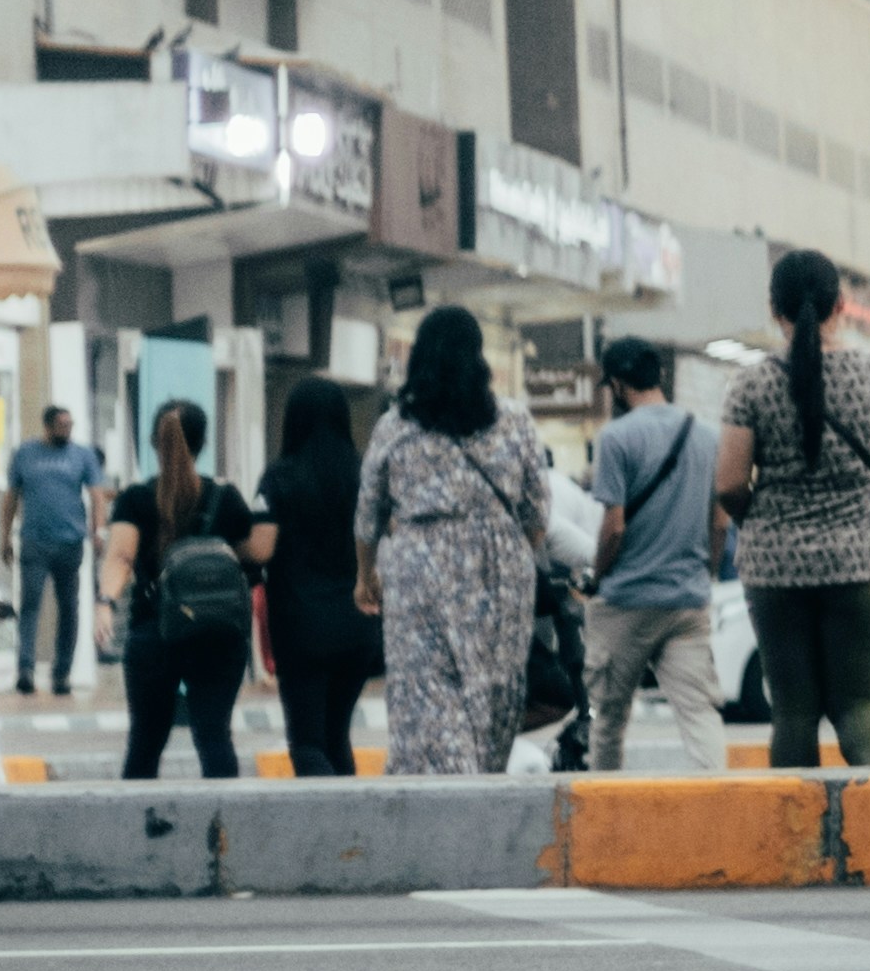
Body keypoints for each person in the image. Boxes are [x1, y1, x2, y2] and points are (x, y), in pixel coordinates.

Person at [715, 248, 870, 774]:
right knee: (860, 704)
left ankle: (798, 845)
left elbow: (730, 483)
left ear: (773, 308)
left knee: (792, 712)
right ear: (841, 305)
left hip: (775, 564)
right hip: (860, 558)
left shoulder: (751, 382)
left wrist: (760, 523)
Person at [366, 306, 561, 777]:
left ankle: (434, 804)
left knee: (424, 692)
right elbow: (538, 513)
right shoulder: (515, 421)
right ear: (478, 357)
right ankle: (481, 788)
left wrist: (364, 575)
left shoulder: (395, 425)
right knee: (492, 694)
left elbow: (368, 512)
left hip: (419, 570)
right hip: (501, 575)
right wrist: (506, 545)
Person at [578, 336, 728, 774]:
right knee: (699, 714)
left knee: (607, 721)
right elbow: (719, 522)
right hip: (686, 601)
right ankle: (716, 807)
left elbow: (614, 527)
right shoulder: (705, 436)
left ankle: (603, 815)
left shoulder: (616, 438)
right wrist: (709, 573)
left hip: (626, 600)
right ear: (658, 376)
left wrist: (596, 576)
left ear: (619, 385)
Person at [96, 397, 268, 781]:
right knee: (215, 739)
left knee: (144, 744)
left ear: (155, 443)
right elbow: (254, 555)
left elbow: (121, 557)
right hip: (219, 636)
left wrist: (105, 601)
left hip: (153, 632)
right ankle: (224, 837)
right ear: (203, 442)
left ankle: (140, 837)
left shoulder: (136, 499)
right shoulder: (226, 499)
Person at [258, 385, 375, 776]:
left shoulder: (280, 477)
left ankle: (331, 833)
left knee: (307, 743)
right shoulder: (362, 476)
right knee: (337, 735)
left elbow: (261, 548)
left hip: (300, 624)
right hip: (357, 623)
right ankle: (353, 828)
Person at [2, 400, 101, 698]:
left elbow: (97, 496)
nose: (67, 430)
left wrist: (99, 532)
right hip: (34, 541)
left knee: (68, 607)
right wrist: (4, 536)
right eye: (62, 425)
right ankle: (26, 671)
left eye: (70, 426)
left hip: (70, 542)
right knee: (30, 606)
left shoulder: (82, 455)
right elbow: (11, 496)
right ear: (47, 426)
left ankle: (62, 673)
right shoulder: (25, 454)